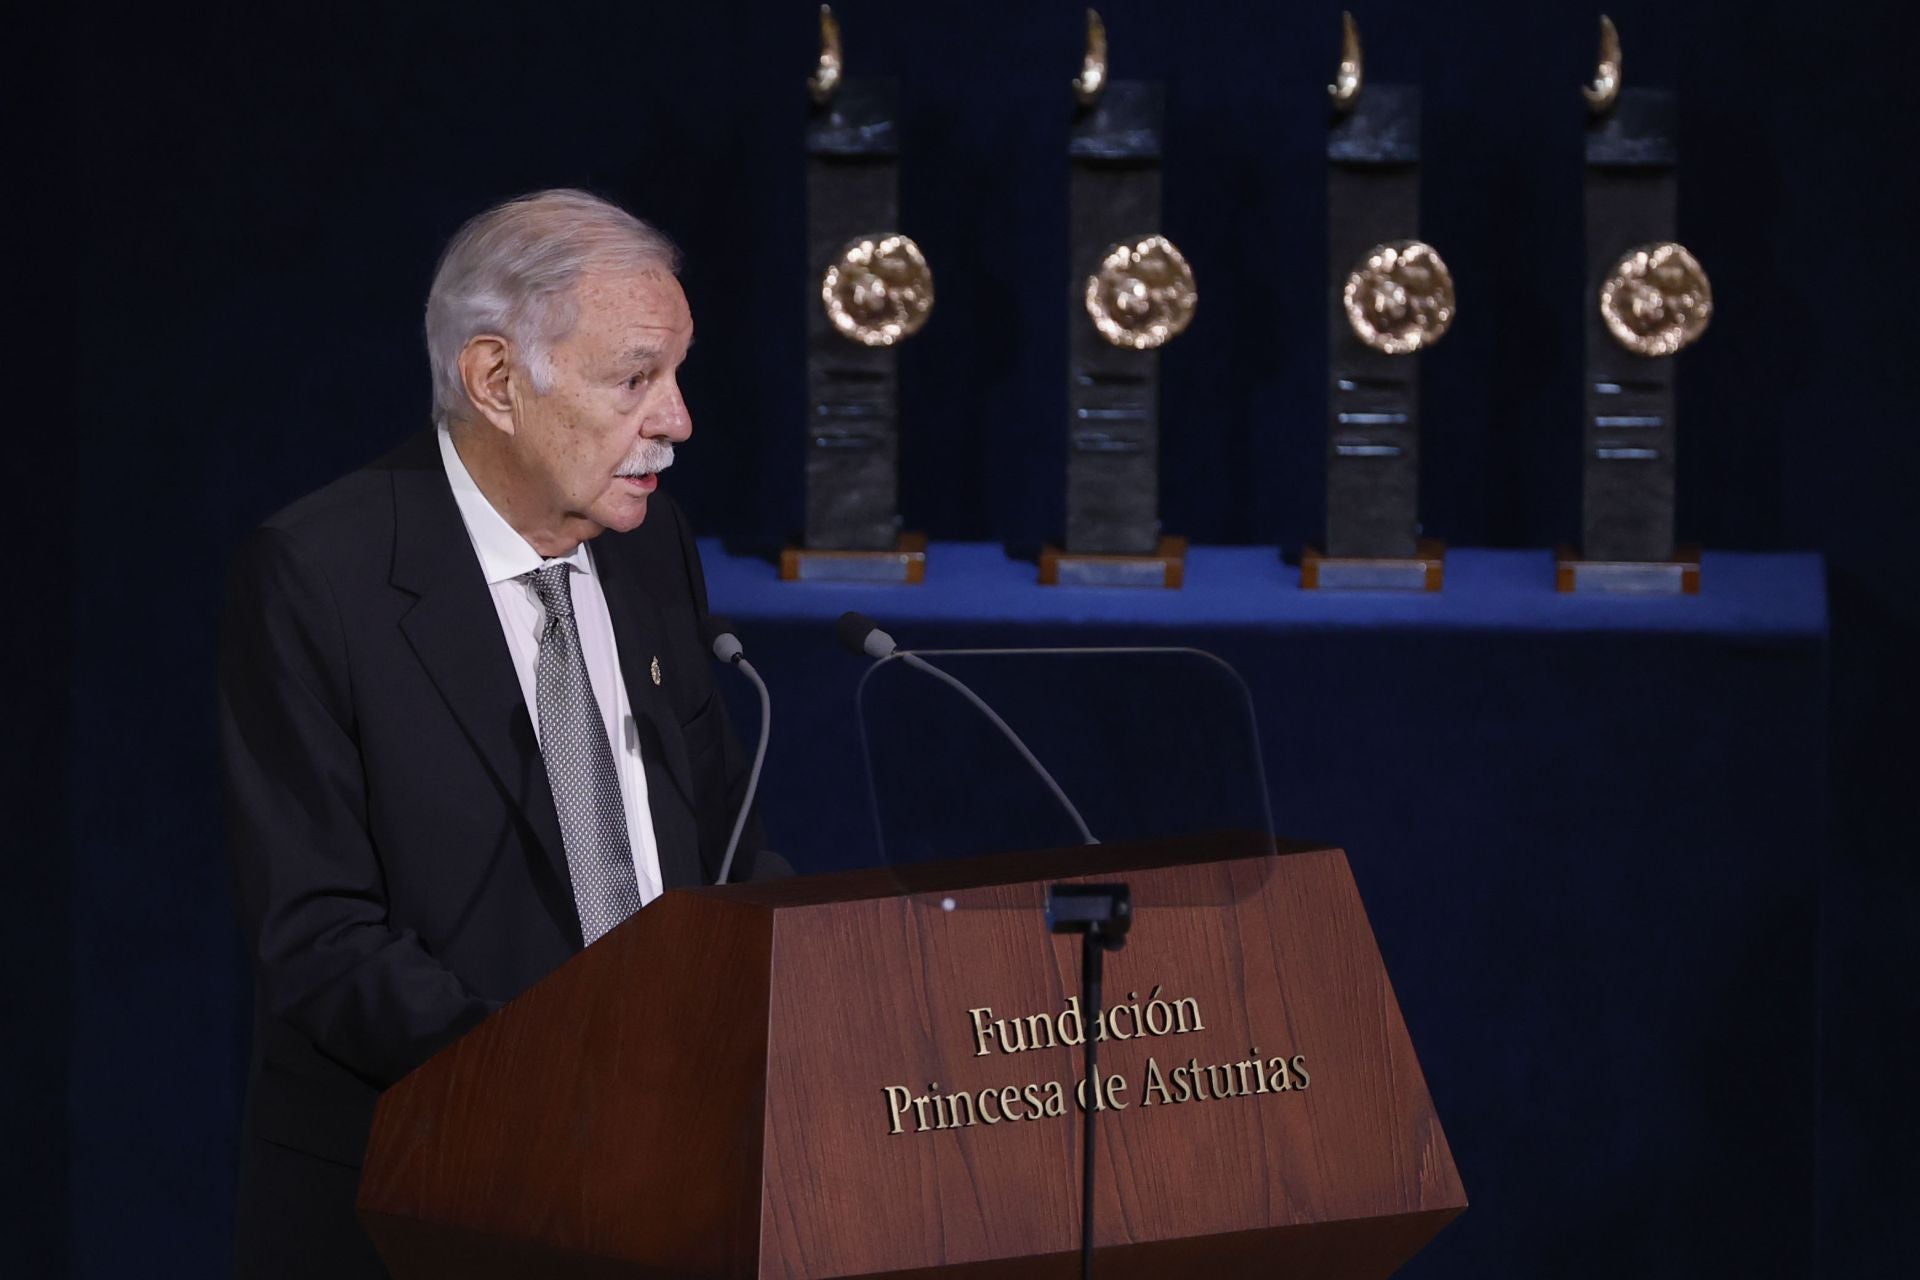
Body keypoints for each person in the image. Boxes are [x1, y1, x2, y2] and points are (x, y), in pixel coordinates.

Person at [218, 189, 779, 1278]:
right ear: (496, 380)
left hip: (667, 1189)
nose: (678, 420)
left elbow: (718, 846)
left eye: (677, 374)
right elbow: (321, 937)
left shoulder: (651, 545)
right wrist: (567, 1078)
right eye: (635, 378)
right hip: (424, 1197)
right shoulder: (320, 577)